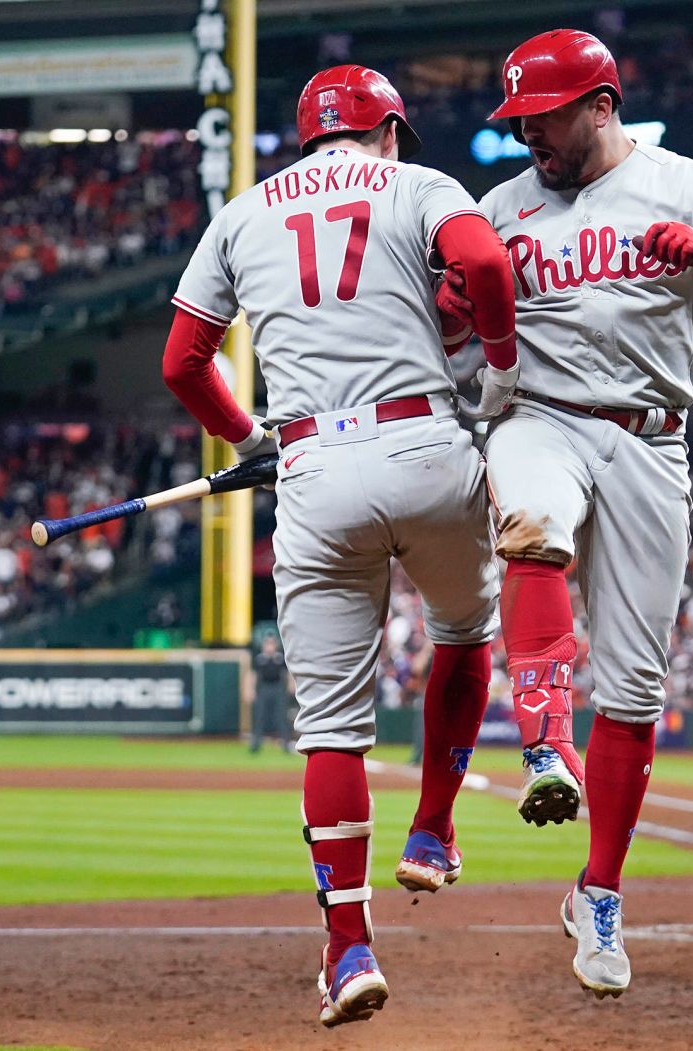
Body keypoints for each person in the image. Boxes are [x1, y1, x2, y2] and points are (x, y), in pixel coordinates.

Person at [439, 29, 693, 997]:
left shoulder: (690, 184)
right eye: (516, 121)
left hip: (651, 439)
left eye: (543, 118)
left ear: (601, 106)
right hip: (539, 415)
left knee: (639, 690)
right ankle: (541, 740)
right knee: (531, 526)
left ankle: (597, 890)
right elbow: (442, 323)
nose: (528, 137)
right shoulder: (498, 207)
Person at [162, 65, 521, 1027]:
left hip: (315, 466)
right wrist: (497, 374)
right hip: (426, 444)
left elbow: (182, 363)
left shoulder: (241, 214)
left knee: (330, 730)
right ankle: (435, 828)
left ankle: (349, 943)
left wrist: (249, 440)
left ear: (307, 136)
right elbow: (487, 271)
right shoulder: (420, 185)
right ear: (389, 129)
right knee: (462, 629)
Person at [249, 632, 292, 753]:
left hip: (278, 688)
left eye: (271, 644)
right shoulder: (259, 659)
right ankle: (255, 744)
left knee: (281, 717)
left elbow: (287, 674)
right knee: (259, 716)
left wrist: (290, 687)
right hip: (264, 688)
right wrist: (251, 689)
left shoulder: (280, 658)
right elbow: (253, 675)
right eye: (267, 644)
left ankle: (286, 744)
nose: (269, 646)